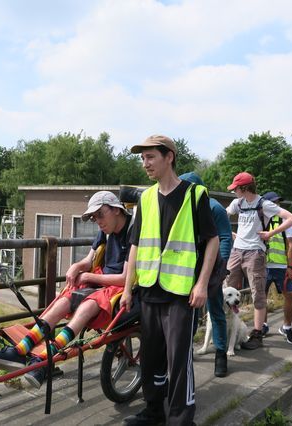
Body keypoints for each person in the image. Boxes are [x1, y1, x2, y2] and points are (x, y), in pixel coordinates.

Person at [0, 191, 131, 389]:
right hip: (100, 277)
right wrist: (78, 266)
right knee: (64, 299)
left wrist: (88, 276)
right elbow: (89, 260)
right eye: (94, 217)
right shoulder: (105, 231)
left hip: (121, 286)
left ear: (116, 209)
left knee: (88, 305)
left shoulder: (132, 230)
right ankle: (21, 350)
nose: (98, 221)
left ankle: (46, 358)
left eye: (100, 215)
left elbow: (125, 278)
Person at [120, 135, 219, 426]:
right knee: (150, 356)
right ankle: (153, 412)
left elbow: (212, 241)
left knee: (178, 361)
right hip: (149, 289)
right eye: (143, 158)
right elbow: (136, 246)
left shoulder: (194, 195)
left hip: (181, 292)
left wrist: (201, 284)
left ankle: (180, 419)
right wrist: (128, 288)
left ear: (169, 157)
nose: (145, 163)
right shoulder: (145, 198)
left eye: (150, 157)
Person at [225, 173, 292, 350]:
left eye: (236, 188)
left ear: (244, 188)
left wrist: (270, 234)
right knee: (226, 287)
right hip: (237, 250)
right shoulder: (238, 203)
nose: (234, 191)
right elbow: (222, 215)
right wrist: (230, 233)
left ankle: (257, 334)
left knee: (257, 292)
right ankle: (224, 327)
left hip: (255, 253)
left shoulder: (264, 204)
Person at [180, 172, 233, 377]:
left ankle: (221, 354)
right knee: (189, 309)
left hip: (212, 265)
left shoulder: (214, 207)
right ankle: (186, 350)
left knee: (215, 309)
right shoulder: (183, 207)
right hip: (189, 266)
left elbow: (225, 237)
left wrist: (222, 266)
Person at [261, 192, 292, 345]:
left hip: (281, 266)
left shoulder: (285, 220)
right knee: (260, 296)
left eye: (278, 202)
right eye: (274, 202)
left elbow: (290, 244)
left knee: (291, 295)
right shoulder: (259, 218)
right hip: (262, 265)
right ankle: (262, 326)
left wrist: (290, 266)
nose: (277, 205)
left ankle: (287, 327)